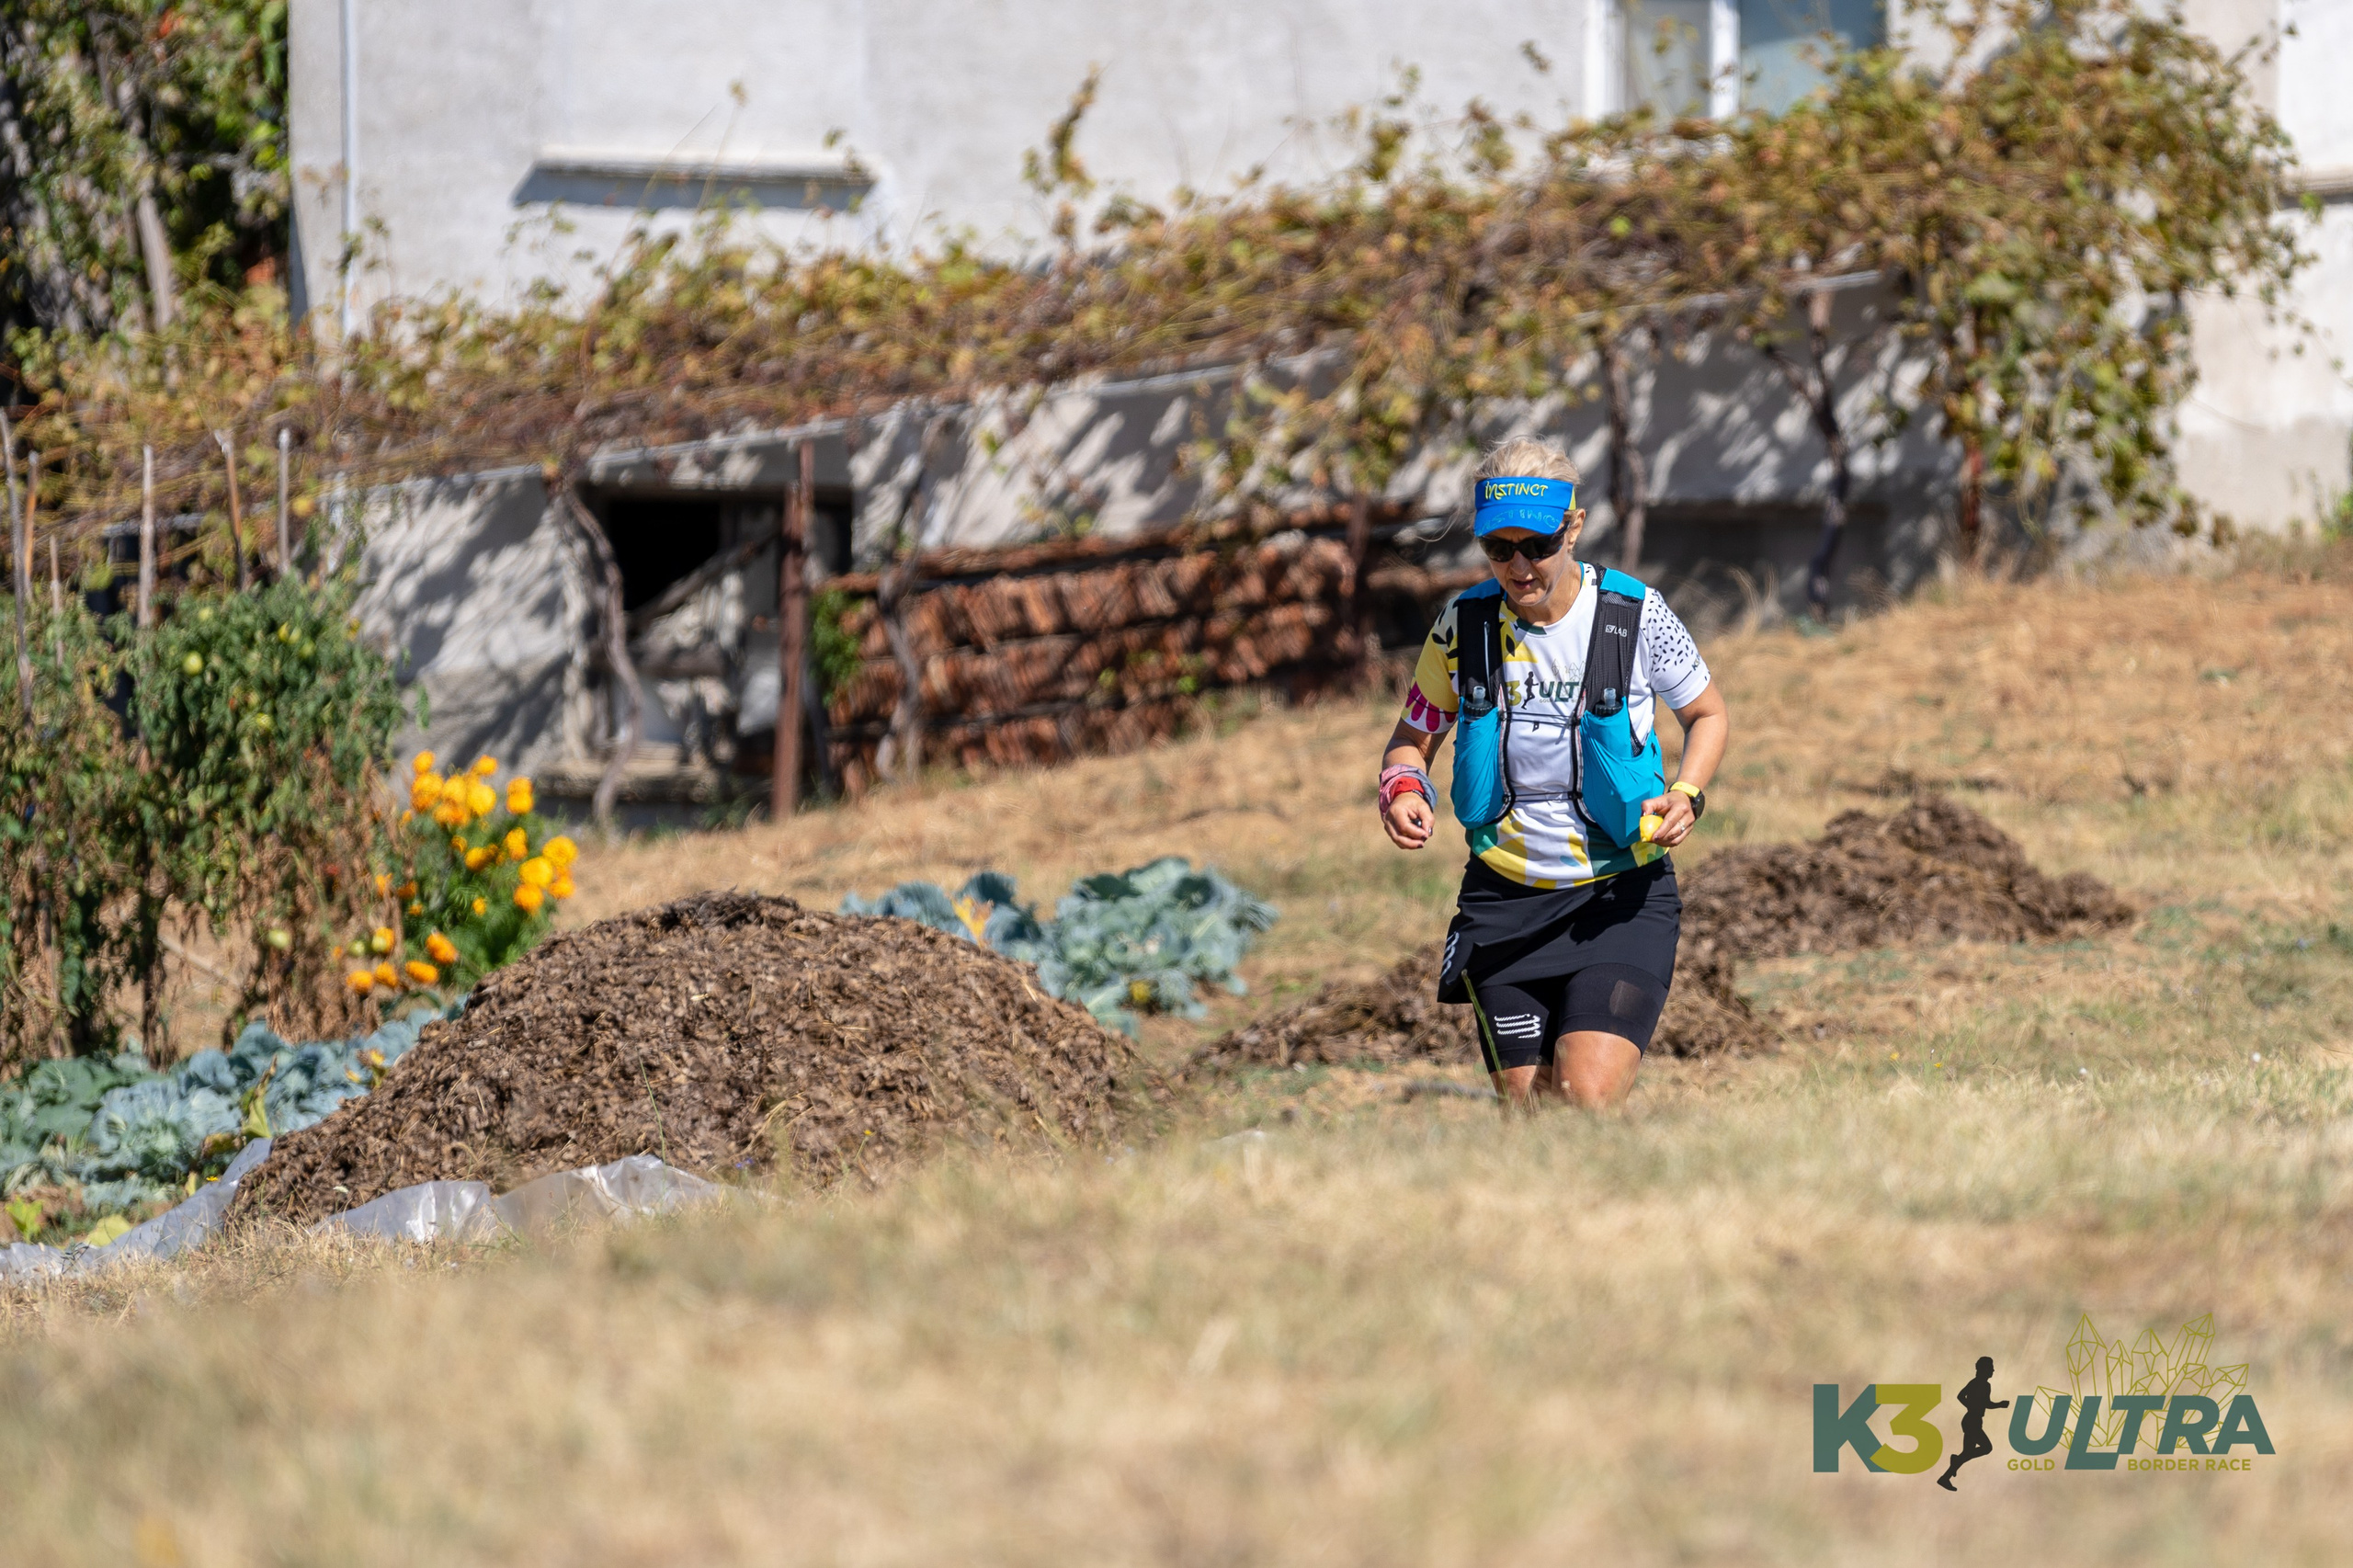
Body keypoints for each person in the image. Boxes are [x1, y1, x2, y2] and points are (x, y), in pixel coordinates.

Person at [1377, 437, 1729, 1109]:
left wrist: (1687, 792)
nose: (1519, 565)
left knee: (1585, 1096)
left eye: (1536, 545)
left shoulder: (1634, 615)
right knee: (1531, 1114)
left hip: (1618, 896)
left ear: (1574, 528)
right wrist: (1401, 788)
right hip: (1504, 900)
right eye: (1498, 549)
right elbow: (1411, 738)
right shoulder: (1464, 626)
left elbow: (1708, 714)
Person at [1938, 1358, 2008, 1492]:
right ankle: (1956, 1461)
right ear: (1983, 1369)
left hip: (1974, 1420)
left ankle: (1945, 1477)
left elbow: (1985, 1403)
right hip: (1972, 1421)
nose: (1993, 1370)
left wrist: (1998, 1405)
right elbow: (1960, 1396)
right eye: (1990, 1367)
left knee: (1968, 1452)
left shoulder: (1985, 1385)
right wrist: (1972, 1407)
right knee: (1986, 1447)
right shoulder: (1977, 1383)